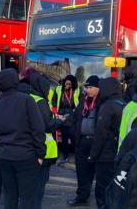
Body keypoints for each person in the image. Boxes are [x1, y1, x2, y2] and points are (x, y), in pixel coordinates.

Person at [0, 68, 45, 209]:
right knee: (27, 197)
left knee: (10, 195)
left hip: (4, 156)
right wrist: (41, 154)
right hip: (26, 156)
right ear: (15, 81)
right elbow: (38, 129)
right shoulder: (27, 100)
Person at [88, 77, 124, 208]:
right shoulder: (122, 103)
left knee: (102, 190)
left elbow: (100, 134)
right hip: (118, 153)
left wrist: (93, 155)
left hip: (105, 155)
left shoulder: (107, 106)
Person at [28, 72, 63, 209]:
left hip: (29, 147)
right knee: (39, 184)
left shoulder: (29, 98)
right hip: (43, 150)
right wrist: (59, 121)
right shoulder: (41, 102)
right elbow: (46, 125)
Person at [67, 75, 100, 207]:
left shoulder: (102, 103)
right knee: (81, 172)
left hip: (95, 143)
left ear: (98, 88)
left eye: (90, 87)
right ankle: (81, 196)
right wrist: (74, 135)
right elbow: (75, 120)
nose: (87, 90)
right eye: (86, 87)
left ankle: (101, 200)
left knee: (96, 173)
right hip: (81, 143)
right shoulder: (83, 102)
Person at [52, 74, 80, 164]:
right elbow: (54, 101)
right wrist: (56, 113)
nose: (67, 85)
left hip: (72, 114)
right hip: (61, 114)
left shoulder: (77, 90)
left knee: (73, 136)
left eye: (69, 84)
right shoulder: (58, 89)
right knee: (64, 137)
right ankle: (65, 156)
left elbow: (80, 101)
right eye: (66, 83)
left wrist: (77, 110)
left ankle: (77, 156)